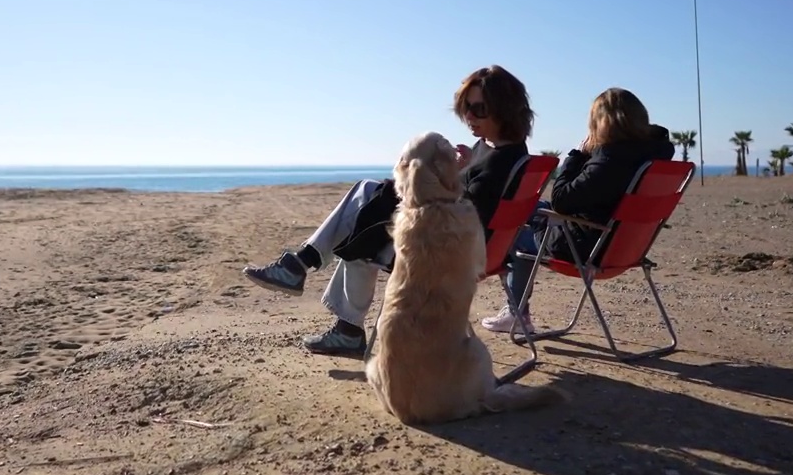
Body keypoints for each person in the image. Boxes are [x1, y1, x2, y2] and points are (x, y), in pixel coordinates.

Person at [243, 65, 535, 356]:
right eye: (466, 108)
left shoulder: (500, 162)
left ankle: (313, 283)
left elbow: (464, 215)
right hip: (453, 243)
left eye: (479, 109)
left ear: (503, 108)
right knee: (367, 201)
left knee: (363, 232)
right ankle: (307, 275)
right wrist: (458, 169)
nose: (469, 117)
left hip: (446, 255)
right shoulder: (500, 150)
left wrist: (446, 176)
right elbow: (463, 202)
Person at [479, 87, 675, 334]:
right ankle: (516, 312)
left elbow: (560, 199)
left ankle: (517, 313)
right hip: (623, 247)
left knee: (513, 232)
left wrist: (577, 155)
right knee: (530, 208)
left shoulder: (610, 161)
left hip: (586, 248)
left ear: (602, 123)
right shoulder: (654, 158)